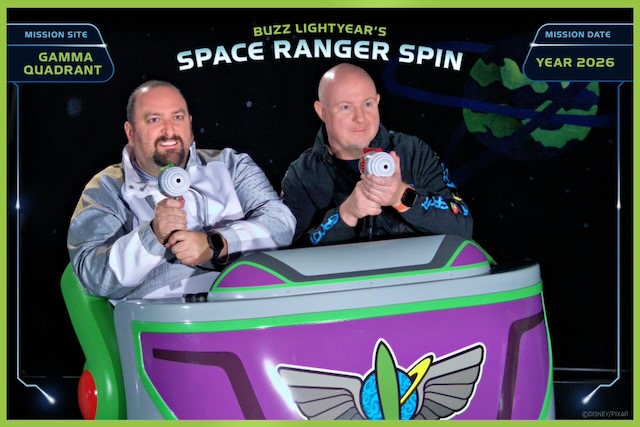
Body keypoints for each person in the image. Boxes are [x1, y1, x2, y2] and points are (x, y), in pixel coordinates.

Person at [67, 80, 296, 302]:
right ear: (131, 132)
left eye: (177, 117)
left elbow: (282, 223)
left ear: (190, 124)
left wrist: (216, 243)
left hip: (250, 307)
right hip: (165, 320)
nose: (169, 131)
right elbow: (93, 276)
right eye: (154, 119)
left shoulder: (232, 165)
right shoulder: (107, 188)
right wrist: (153, 235)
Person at [281, 63, 472, 247]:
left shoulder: (413, 152)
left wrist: (402, 196)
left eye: (367, 104)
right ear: (322, 111)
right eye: (346, 107)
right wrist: (345, 215)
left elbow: (462, 226)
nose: (360, 118)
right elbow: (291, 254)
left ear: (377, 101)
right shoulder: (302, 174)